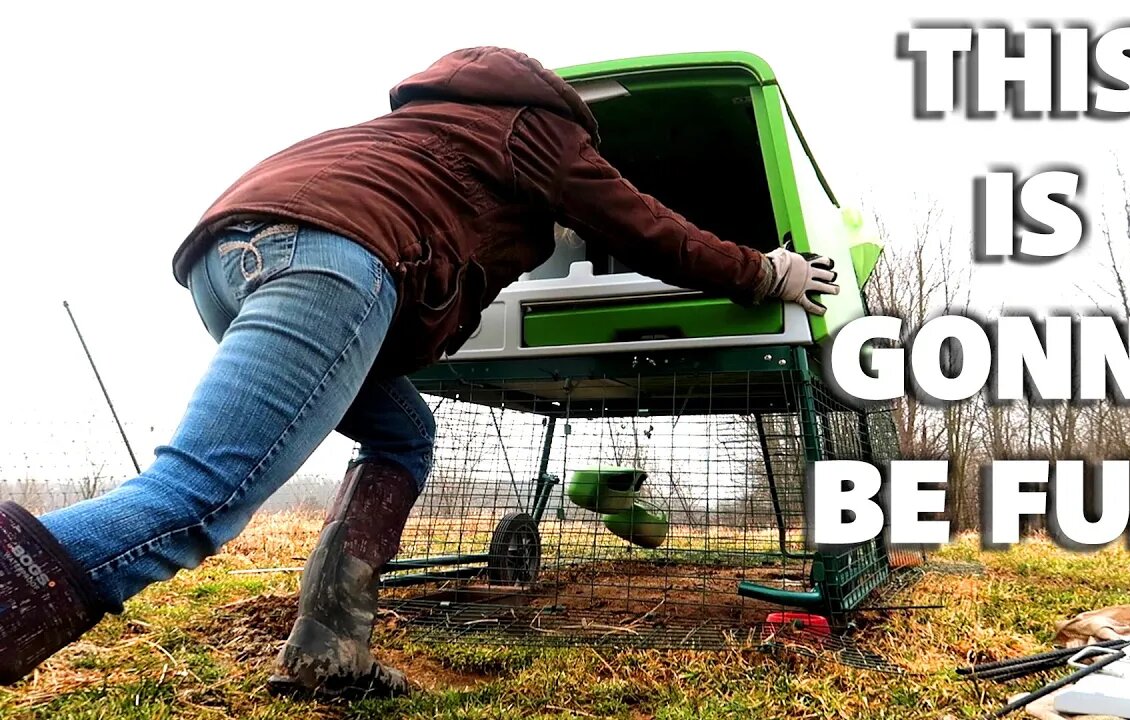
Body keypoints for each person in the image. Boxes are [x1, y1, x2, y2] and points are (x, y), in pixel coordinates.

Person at [0, 47, 839, 696]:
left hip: (226, 261)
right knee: (200, 495)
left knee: (403, 433)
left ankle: (329, 649)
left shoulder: (421, 126)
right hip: (332, 260)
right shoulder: (539, 130)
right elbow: (650, 228)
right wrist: (765, 274)